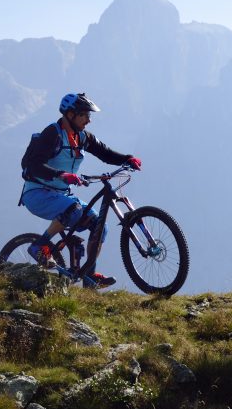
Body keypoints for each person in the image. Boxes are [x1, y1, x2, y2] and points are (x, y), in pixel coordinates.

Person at [18, 93, 141, 288]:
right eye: (84, 115)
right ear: (70, 114)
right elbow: (34, 165)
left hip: (61, 196)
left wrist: (127, 159)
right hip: (37, 193)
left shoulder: (83, 137)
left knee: (100, 227)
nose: (89, 120)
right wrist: (61, 174)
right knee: (74, 208)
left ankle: (89, 276)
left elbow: (105, 153)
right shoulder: (53, 133)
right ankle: (39, 246)